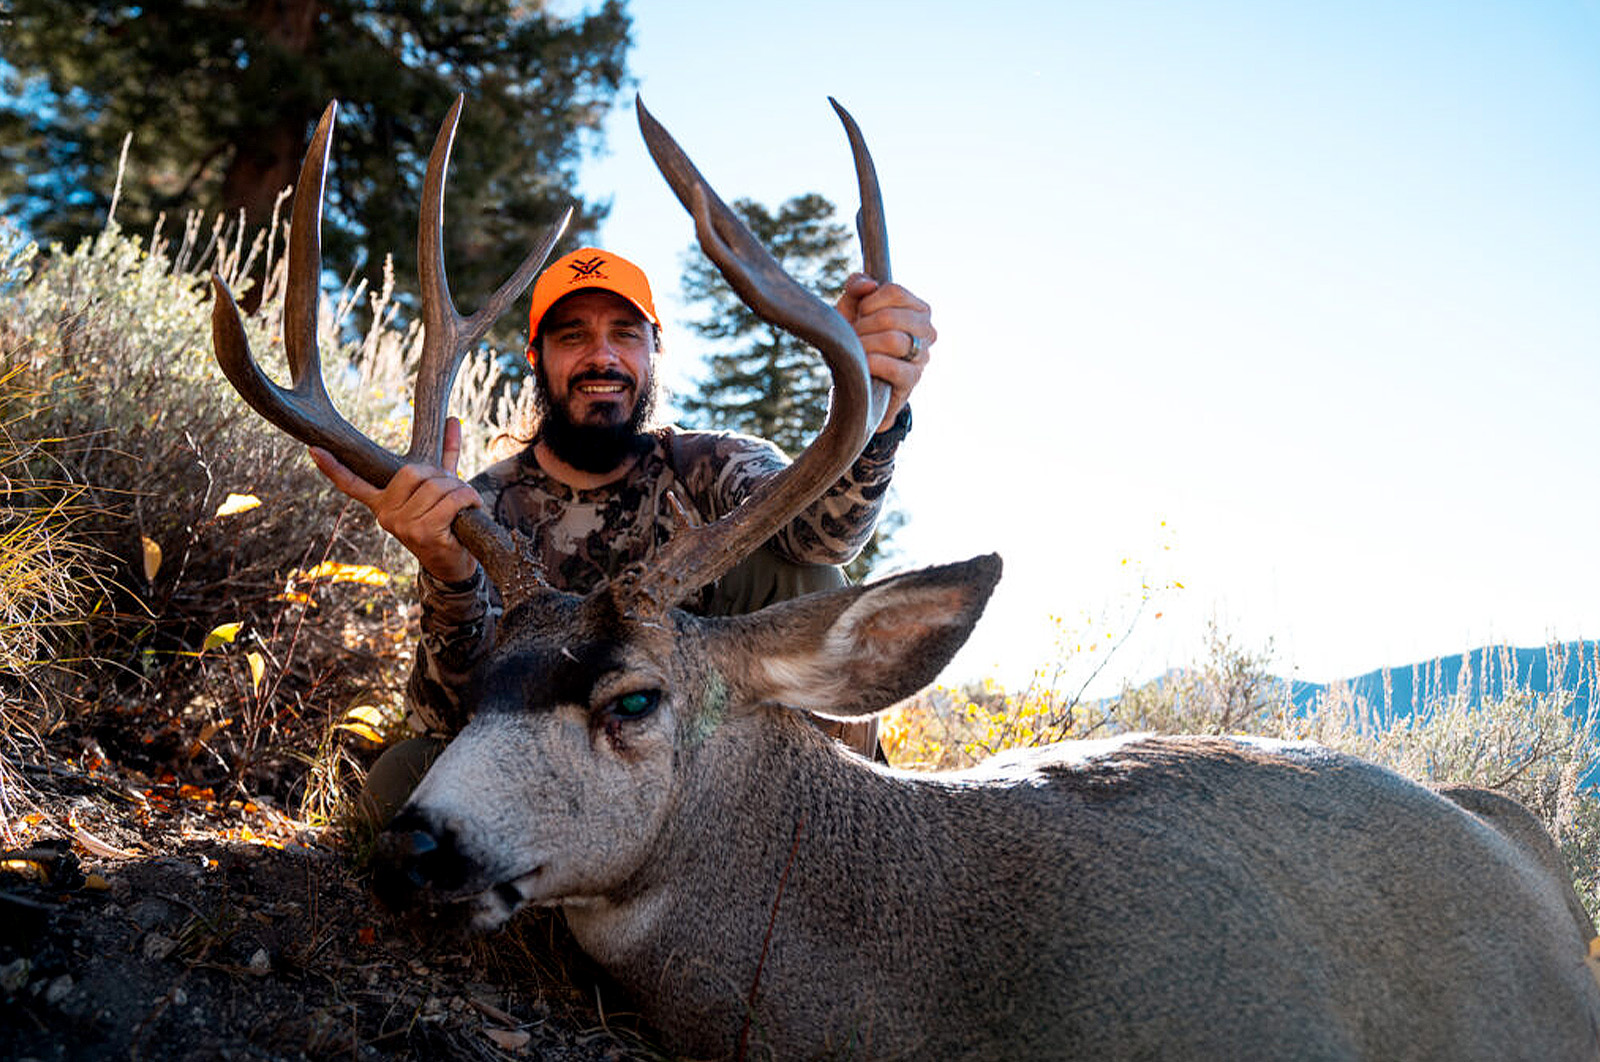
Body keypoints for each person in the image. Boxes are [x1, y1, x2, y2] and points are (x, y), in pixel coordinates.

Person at [309, 248, 935, 822]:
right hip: (562, 766)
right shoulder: (481, 506)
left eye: (624, 334)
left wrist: (875, 413)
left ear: (652, 352)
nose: (601, 357)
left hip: (708, 757)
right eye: (572, 335)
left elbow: (824, 539)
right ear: (536, 359)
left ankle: (842, 826)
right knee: (398, 783)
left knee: (805, 576)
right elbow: (447, 719)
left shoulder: (713, 465)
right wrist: (448, 571)